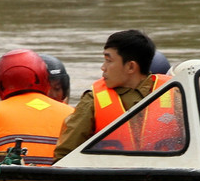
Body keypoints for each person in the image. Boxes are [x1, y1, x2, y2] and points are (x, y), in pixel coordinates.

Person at [54, 29, 178, 160]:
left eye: (109, 60)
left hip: (163, 176)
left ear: (130, 67)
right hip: (110, 177)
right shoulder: (92, 100)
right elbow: (64, 156)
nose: (103, 67)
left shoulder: (174, 92)